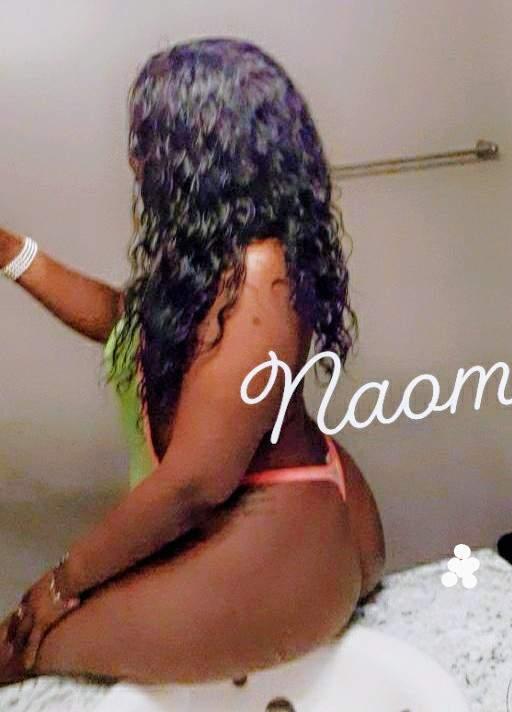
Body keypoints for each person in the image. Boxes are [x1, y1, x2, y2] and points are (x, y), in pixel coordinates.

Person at [0, 38, 385, 686]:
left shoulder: (259, 276)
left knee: (26, 649)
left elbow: (193, 484)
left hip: (280, 526)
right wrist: (11, 252)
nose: (135, 159)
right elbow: (127, 322)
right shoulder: (220, 252)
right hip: (272, 505)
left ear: (199, 149)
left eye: (147, 139)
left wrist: (60, 583)